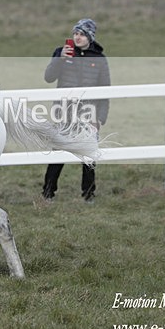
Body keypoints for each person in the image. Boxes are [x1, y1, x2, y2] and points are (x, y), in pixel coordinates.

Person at [40, 18, 110, 204]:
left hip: (89, 114)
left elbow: (105, 90)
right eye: (75, 34)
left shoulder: (100, 59)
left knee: (89, 156)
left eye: (82, 34)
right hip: (63, 112)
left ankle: (88, 195)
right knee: (58, 153)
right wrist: (60, 59)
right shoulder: (61, 53)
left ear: (90, 37)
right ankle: (48, 193)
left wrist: (100, 119)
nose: (77, 37)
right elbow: (48, 77)